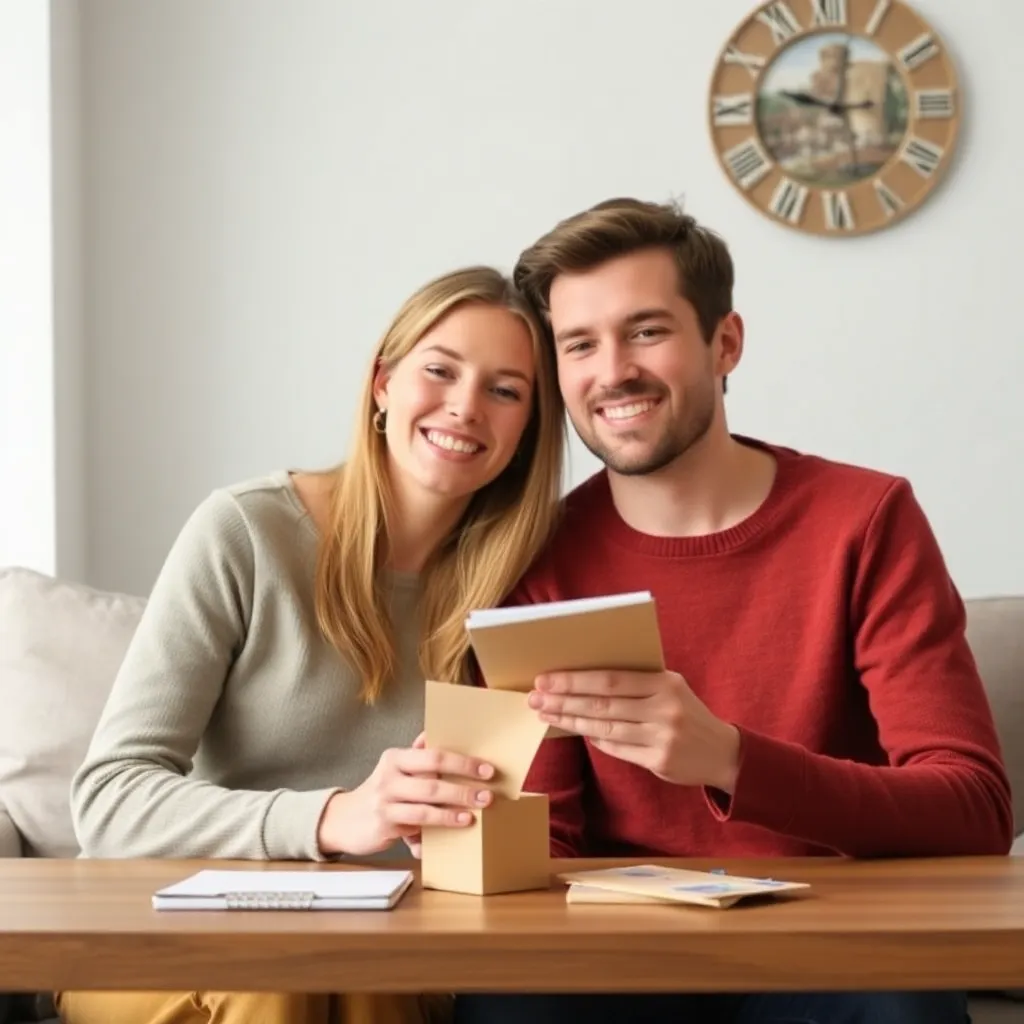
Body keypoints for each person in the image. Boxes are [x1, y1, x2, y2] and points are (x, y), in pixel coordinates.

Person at [454, 198, 1012, 1024]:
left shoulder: (865, 520)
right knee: (508, 1008)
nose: (612, 372)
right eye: (580, 344)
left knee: (900, 1002)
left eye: (646, 331)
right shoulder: (536, 554)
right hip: (620, 964)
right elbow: (544, 846)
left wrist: (730, 759)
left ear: (726, 344)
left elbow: (975, 808)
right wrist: (466, 806)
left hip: (834, 950)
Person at [56, 265, 565, 1024]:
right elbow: (108, 798)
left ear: (528, 429)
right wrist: (333, 819)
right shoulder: (246, 532)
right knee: (286, 974)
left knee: (354, 973)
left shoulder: (525, 582)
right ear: (381, 383)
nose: (465, 406)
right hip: (173, 936)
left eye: (505, 390)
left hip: (383, 950)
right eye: (440, 369)